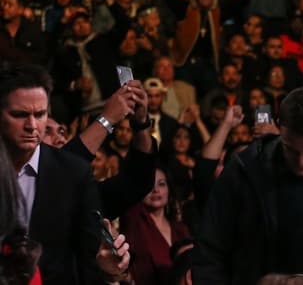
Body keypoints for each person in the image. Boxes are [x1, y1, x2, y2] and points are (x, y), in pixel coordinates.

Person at [1, 62, 132, 284]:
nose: (32, 125)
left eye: (40, 114)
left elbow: (89, 259)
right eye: (20, 114)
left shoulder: (74, 174)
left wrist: (108, 271)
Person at [191, 88, 303, 282]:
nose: (301, 163)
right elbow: (211, 250)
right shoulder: (243, 171)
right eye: (292, 150)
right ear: (280, 127)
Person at [119, 167, 191, 285]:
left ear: (169, 189)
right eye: (149, 185)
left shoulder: (180, 229)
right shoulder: (133, 220)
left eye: (161, 184)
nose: (155, 190)